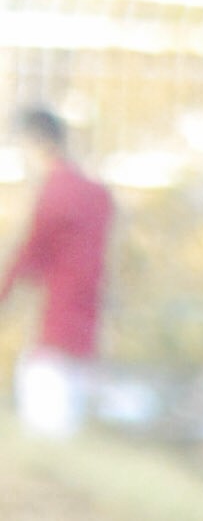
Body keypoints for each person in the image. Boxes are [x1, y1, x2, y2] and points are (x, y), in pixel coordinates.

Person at [1, 106, 115, 437]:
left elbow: (28, 257)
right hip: (86, 326)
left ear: (36, 143)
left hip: (56, 327)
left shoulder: (55, 193)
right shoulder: (98, 195)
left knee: (45, 424)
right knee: (66, 427)